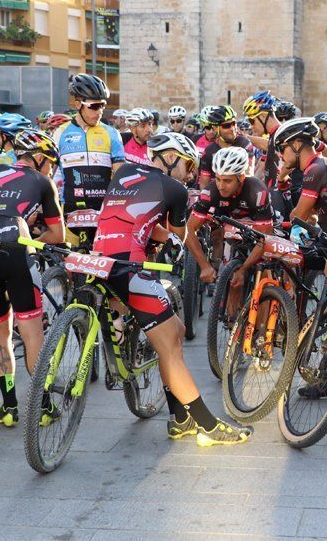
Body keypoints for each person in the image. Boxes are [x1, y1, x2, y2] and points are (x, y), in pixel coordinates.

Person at [94, 132, 252, 446]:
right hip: (130, 269)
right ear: (170, 158)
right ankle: (207, 426)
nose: (191, 173)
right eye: (188, 164)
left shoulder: (123, 171)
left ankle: (179, 418)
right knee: (172, 350)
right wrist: (166, 241)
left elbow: (133, 216)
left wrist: (155, 235)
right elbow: (177, 238)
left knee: (177, 329)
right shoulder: (175, 189)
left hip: (100, 258)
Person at [0, 128, 65, 427]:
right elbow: (58, 235)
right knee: (31, 331)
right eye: (49, 162)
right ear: (38, 158)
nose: (50, 168)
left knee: (0, 330)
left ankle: (9, 407)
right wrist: (36, 238)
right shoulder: (42, 180)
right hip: (15, 247)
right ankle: (44, 407)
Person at [186, 146, 274, 287]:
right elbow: (189, 229)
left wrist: (244, 269)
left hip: (256, 221)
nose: (220, 186)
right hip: (229, 217)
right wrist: (204, 265)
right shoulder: (211, 192)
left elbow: (265, 238)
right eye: (218, 179)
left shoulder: (257, 191)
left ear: (241, 177)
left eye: (227, 181)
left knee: (263, 277)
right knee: (232, 281)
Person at [52, 74, 125, 222]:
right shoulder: (59, 133)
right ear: (78, 104)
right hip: (69, 213)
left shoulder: (112, 134)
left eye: (102, 105)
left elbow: (120, 177)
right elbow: (48, 175)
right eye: (94, 106)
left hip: (104, 214)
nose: (100, 112)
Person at [198, 105, 252, 189]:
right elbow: (204, 185)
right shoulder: (209, 151)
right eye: (226, 126)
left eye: (234, 123)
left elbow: (249, 176)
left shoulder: (244, 144)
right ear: (215, 128)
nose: (232, 128)